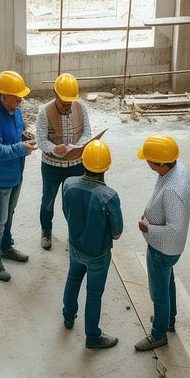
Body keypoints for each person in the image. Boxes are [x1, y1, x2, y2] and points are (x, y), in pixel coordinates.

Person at [133, 135, 190, 352]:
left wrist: (147, 227)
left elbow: (174, 231)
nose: (146, 163)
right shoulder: (179, 169)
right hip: (167, 251)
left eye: (148, 160)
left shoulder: (172, 190)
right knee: (168, 282)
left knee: (158, 293)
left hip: (162, 249)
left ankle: (159, 334)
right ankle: (168, 319)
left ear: (159, 163)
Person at [61, 140, 122, 349]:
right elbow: (117, 232)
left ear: (83, 161)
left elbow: (66, 212)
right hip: (98, 253)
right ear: (107, 166)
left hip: (75, 246)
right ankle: (92, 337)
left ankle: (68, 316)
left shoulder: (68, 183)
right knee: (94, 294)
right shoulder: (109, 196)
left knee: (73, 279)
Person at [0, 70, 37, 282]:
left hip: (16, 174)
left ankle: (6, 247)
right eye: (16, 98)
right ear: (3, 96)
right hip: (0, 179)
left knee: (9, 214)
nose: (20, 101)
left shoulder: (15, 110)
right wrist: (21, 147)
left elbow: (13, 133)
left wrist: (24, 135)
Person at [35, 73, 94, 250]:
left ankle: (74, 233)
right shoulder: (44, 111)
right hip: (52, 167)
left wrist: (77, 146)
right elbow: (40, 140)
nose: (67, 107)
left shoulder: (80, 107)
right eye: (63, 103)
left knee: (73, 202)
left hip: (76, 165)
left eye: (70, 103)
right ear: (55, 95)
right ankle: (46, 231)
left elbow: (87, 133)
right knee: (48, 201)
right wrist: (54, 149)